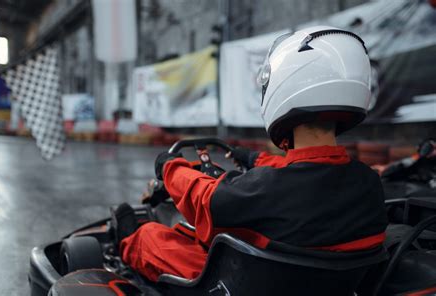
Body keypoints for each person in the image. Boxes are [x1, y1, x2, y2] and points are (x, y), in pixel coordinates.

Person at [116, 26, 388, 282]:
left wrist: (168, 165)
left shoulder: (262, 191)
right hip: (333, 283)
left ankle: (127, 240)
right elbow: (307, 169)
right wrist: (252, 159)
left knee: (151, 236)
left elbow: (202, 198)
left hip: (259, 283)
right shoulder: (368, 182)